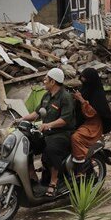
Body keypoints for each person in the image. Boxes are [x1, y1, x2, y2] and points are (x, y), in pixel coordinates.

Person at [21, 67, 74, 196]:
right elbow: (37, 113)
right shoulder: (46, 96)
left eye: (46, 79)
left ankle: (54, 182)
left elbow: (64, 120)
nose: (43, 81)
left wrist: (48, 125)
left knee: (51, 149)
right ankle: (32, 176)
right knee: (27, 146)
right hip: (47, 132)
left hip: (62, 133)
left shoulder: (65, 97)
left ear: (53, 82)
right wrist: (21, 119)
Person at [71, 68, 111, 173]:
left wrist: (81, 100)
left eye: (85, 79)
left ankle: (82, 166)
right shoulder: (84, 89)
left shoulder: (97, 94)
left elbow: (92, 114)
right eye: (82, 79)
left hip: (93, 125)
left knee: (75, 138)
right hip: (83, 122)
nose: (83, 81)